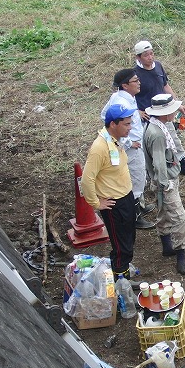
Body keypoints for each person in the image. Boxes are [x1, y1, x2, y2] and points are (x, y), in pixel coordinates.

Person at [81, 104, 137, 281]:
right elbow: (86, 179)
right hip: (114, 204)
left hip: (126, 196)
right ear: (113, 124)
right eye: (126, 124)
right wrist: (96, 203)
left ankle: (124, 278)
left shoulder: (115, 140)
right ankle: (121, 285)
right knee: (121, 248)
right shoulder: (99, 148)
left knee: (128, 240)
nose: (130, 127)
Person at [133, 40, 185, 177]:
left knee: (173, 139)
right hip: (149, 117)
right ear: (138, 57)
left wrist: (176, 104)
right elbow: (129, 96)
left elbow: (165, 86)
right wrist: (137, 112)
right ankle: (156, 173)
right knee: (155, 146)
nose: (150, 57)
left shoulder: (158, 66)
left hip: (164, 112)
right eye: (146, 55)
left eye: (152, 54)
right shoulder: (134, 74)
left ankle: (182, 166)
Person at [142, 94, 185, 275]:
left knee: (163, 212)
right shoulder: (157, 135)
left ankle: (166, 246)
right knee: (180, 218)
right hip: (165, 181)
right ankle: (180, 254)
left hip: (164, 179)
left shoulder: (157, 126)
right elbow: (159, 163)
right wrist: (165, 183)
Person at [100, 68, 155, 229]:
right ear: (125, 85)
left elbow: (104, 114)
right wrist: (129, 142)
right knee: (136, 178)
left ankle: (139, 207)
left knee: (137, 176)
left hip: (131, 143)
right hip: (131, 147)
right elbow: (110, 122)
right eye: (135, 81)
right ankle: (135, 215)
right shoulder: (121, 102)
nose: (139, 83)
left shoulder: (120, 97)